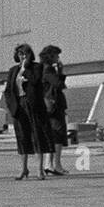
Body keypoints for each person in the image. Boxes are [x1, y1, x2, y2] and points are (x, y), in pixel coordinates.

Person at [4, 43, 52, 180]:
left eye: (26, 54)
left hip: (33, 105)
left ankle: (40, 170)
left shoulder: (36, 67)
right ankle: (24, 169)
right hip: (19, 105)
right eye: (20, 54)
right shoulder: (13, 70)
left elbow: (36, 81)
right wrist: (11, 106)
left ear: (30, 55)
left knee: (37, 135)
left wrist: (25, 69)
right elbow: (8, 90)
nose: (23, 57)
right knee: (22, 137)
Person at [40, 45, 68, 175]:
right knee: (58, 134)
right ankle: (56, 165)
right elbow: (59, 84)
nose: (58, 57)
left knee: (51, 135)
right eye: (57, 55)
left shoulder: (42, 68)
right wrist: (60, 72)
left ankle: (49, 164)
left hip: (47, 104)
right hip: (54, 105)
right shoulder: (48, 69)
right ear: (51, 56)